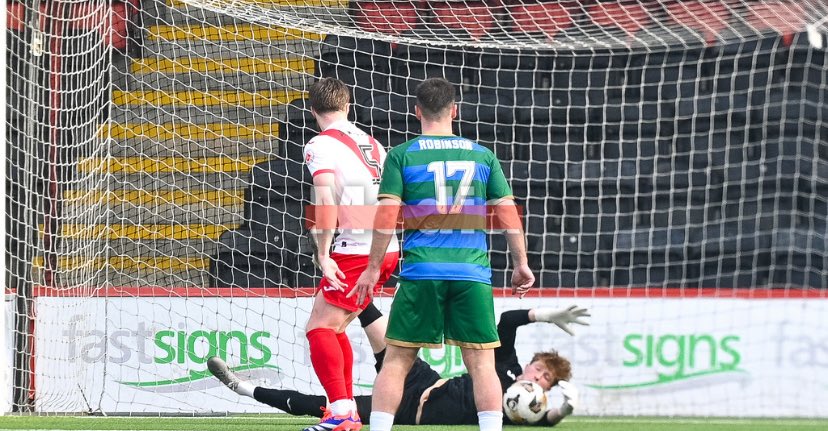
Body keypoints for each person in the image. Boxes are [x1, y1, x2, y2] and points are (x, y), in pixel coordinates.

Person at [348, 77, 535, 431]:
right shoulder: (482, 155)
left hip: (422, 272)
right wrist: (521, 263)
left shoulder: (402, 155)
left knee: (397, 362)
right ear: (455, 110)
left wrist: (373, 268)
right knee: (482, 363)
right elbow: (508, 211)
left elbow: (387, 215)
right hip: (472, 273)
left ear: (417, 111)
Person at [207, 303, 588, 426]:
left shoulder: (517, 410)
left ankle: (242, 387)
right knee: (371, 317)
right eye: (541, 371)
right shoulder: (505, 367)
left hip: (408, 409)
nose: (539, 379)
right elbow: (506, 321)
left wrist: (561, 411)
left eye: (547, 380)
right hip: (423, 379)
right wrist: (547, 313)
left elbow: (543, 421)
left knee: (327, 408)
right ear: (532, 364)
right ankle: (344, 274)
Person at [299, 77, 400, 431]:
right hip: (385, 246)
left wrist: (323, 253)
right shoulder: (373, 142)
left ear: (313, 110)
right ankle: (345, 411)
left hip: (355, 246)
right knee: (334, 324)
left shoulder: (319, 145)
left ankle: (341, 412)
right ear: (347, 106)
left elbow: (325, 199)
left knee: (319, 328)